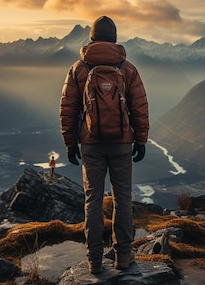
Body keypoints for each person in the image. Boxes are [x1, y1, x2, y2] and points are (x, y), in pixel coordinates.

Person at [59, 16, 149, 274]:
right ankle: (123, 256)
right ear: (114, 38)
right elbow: (140, 107)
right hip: (122, 144)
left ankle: (94, 260)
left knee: (93, 199)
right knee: (122, 198)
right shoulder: (128, 69)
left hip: (91, 143)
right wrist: (140, 140)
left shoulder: (78, 68)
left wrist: (70, 141)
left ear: (92, 38)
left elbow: (68, 107)